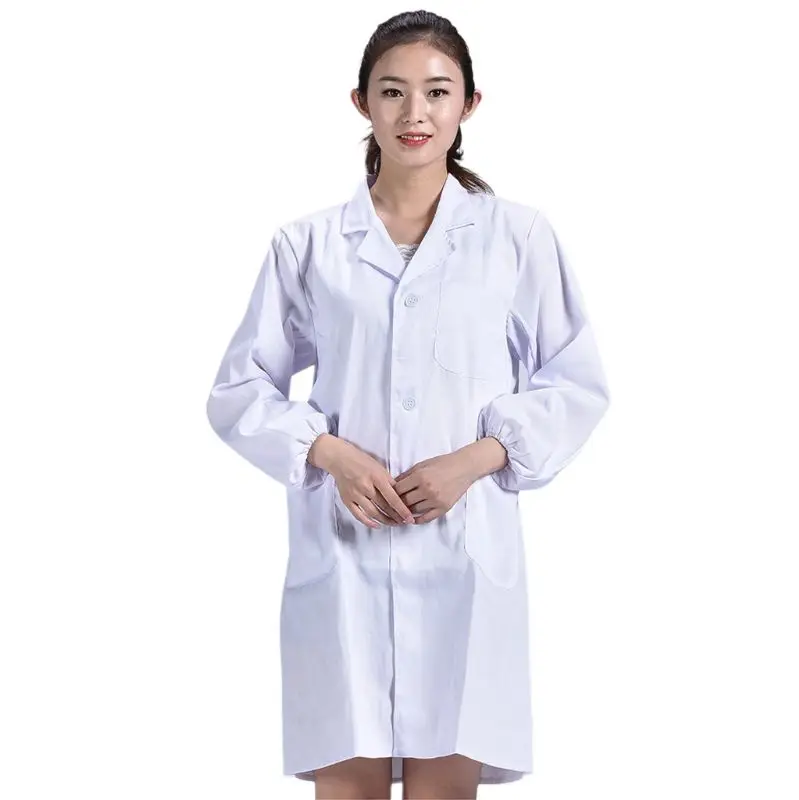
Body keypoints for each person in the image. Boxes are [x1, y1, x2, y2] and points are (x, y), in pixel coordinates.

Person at [205, 9, 610, 800]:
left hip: (464, 554)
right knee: (347, 782)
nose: (414, 112)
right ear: (362, 102)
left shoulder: (517, 238)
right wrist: (327, 452)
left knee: (444, 782)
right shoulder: (308, 246)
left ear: (469, 104)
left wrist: (476, 459)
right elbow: (239, 388)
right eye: (392, 91)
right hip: (342, 557)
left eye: (436, 91)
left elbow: (576, 382)